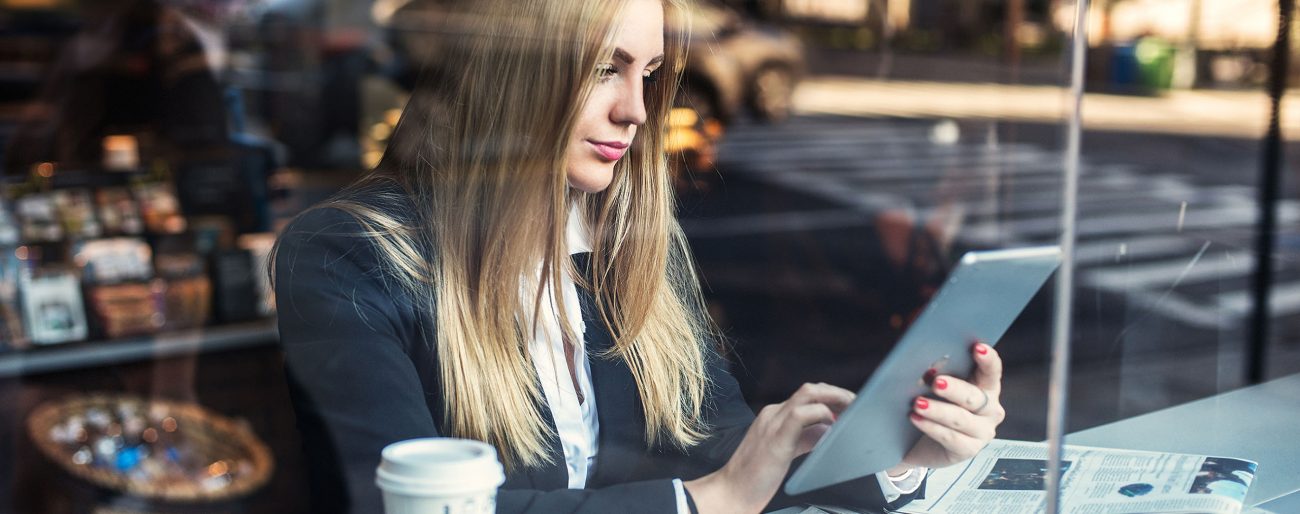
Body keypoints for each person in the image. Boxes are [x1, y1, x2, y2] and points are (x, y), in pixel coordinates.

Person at [271, 0, 1007, 512]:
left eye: (649, 74)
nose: (636, 110)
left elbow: (709, 436)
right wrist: (706, 503)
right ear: (515, 75)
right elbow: (403, 503)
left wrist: (893, 456)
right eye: (604, 69)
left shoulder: (627, 236)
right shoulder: (349, 256)